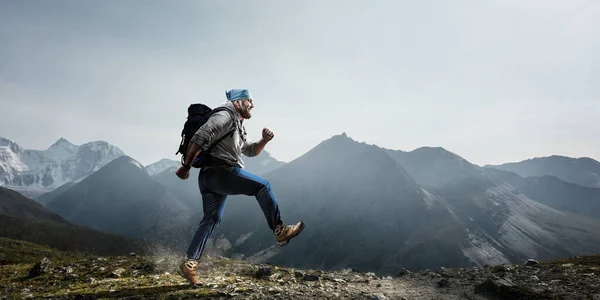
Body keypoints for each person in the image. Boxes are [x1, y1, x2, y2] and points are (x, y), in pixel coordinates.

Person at [174, 88, 305, 286]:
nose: (252, 105)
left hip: (209, 178)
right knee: (263, 186)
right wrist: (185, 167)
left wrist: (264, 140)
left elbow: (250, 150)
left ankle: (189, 263)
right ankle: (280, 230)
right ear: (237, 102)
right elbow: (200, 137)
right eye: (248, 101)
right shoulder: (225, 116)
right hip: (222, 172)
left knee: (211, 219)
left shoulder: (237, 123)